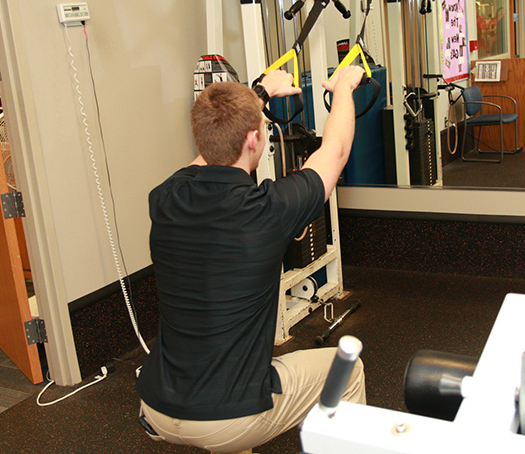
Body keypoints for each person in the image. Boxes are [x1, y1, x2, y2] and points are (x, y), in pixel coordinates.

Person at [136, 66, 367, 454]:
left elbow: (214, 146)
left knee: (234, 420)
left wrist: (259, 91)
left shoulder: (166, 195)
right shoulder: (266, 209)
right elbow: (336, 151)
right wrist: (343, 85)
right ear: (254, 140)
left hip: (157, 403)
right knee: (347, 371)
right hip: (226, 420)